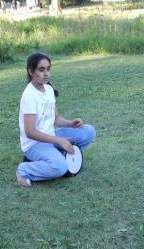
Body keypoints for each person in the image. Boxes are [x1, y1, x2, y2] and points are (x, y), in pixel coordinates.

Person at [16, 52, 96, 187]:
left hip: (52, 136)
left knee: (88, 131)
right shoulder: (29, 96)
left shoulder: (48, 89)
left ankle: (60, 155)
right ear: (31, 71)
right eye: (41, 70)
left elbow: (55, 118)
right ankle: (24, 169)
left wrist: (71, 124)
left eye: (48, 69)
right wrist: (59, 140)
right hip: (34, 144)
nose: (46, 73)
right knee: (60, 167)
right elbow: (30, 132)